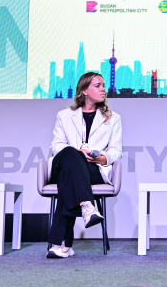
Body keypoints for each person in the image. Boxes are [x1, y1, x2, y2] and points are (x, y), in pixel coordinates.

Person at [46, 72, 123, 259]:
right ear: (84, 90)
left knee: (68, 179)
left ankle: (61, 244)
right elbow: (56, 146)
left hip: (92, 168)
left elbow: (116, 151)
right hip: (63, 164)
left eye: (103, 85)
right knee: (71, 154)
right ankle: (87, 205)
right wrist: (77, 152)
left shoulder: (113, 118)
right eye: (97, 85)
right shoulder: (64, 116)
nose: (103, 89)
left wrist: (101, 158)